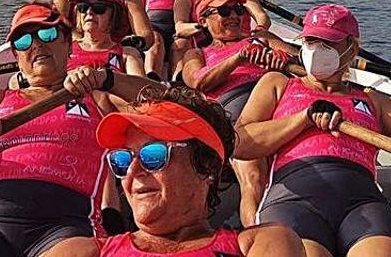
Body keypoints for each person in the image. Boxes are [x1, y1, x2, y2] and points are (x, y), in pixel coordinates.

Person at [0, 0, 160, 257]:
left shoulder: (96, 96)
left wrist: (108, 79)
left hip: (64, 223)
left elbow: (164, 103)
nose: (36, 44)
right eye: (24, 42)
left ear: (68, 44)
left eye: (47, 34)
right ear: (17, 58)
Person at [236, 4, 391, 257]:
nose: (316, 50)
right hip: (293, 200)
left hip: (363, 203)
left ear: (351, 48)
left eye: (327, 43)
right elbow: (241, 142)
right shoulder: (278, 84)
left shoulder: (376, 101)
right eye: (310, 41)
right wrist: (303, 119)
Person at [89, 86, 304, 256]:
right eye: (122, 160)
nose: (133, 171)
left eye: (153, 156)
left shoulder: (261, 242)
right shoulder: (83, 251)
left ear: (206, 164)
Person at [179, 0, 292, 227]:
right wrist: (239, 57)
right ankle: (259, 237)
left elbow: (297, 58)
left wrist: (282, 58)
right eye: (224, 11)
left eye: (238, 10)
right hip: (234, 107)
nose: (233, 16)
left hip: (276, 98)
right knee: (254, 176)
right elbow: (197, 81)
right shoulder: (197, 53)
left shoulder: (262, 39)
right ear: (205, 20)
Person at [67, 0, 146, 78]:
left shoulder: (127, 54)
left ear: (114, 16)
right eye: (83, 7)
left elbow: (141, 88)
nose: (89, 12)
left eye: (98, 8)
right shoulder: (66, 50)